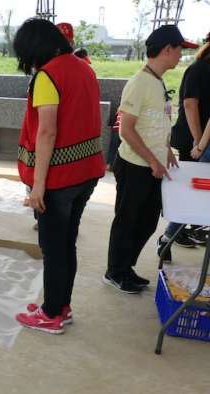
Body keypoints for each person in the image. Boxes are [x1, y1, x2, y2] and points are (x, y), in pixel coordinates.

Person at [12, 18, 106, 334]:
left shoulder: (47, 76)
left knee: (54, 249)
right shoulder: (84, 68)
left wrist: (38, 187)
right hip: (87, 174)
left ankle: (51, 313)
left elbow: (47, 132)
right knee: (67, 244)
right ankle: (60, 305)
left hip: (59, 180)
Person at [105, 25, 193, 294]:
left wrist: (164, 150)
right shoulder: (139, 83)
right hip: (135, 166)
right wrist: (153, 161)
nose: (182, 56)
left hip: (153, 166)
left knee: (147, 221)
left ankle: (125, 267)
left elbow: (156, 123)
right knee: (127, 220)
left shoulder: (157, 81)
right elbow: (126, 129)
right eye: (180, 50)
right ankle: (115, 272)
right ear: (167, 49)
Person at [159, 31, 210, 257]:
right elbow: (190, 105)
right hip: (193, 138)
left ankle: (179, 230)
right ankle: (171, 235)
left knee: (198, 194)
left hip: (202, 141)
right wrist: (199, 143)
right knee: (193, 193)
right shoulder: (198, 69)